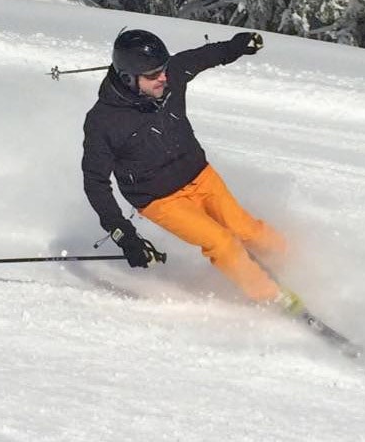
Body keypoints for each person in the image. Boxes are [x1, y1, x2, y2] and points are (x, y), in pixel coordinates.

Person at [82, 29, 300, 312]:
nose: (163, 77)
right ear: (128, 78)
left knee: (247, 230)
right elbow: (95, 182)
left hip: (199, 175)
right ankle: (271, 298)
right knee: (221, 243)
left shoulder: (170, 76)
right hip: (158, 199)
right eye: (152, 75)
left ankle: (296, 266)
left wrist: (235, 46)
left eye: (163, 70)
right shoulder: (103, 122)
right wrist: (125, 235)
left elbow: (204, 56)